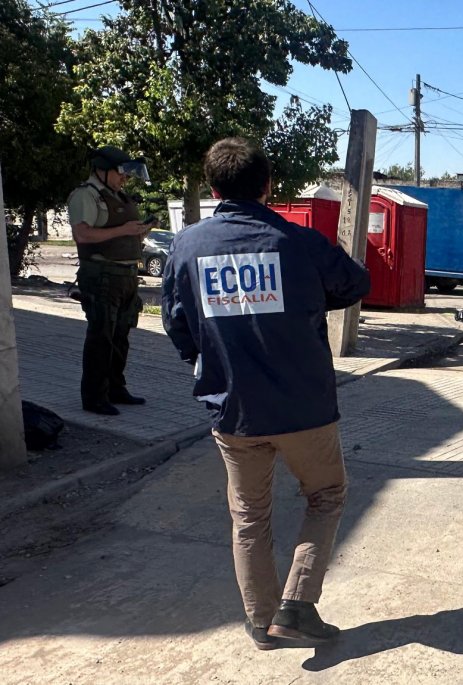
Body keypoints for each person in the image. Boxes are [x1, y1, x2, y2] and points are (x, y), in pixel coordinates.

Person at [162, 138, 370, 650]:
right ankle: (297, 606)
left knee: (249, 517)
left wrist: (208, 361)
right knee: (326, 496)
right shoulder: (299, 241)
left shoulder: (185, 247)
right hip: (305, 407)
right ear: (268, 185)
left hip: (235, 410)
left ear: (213, 189)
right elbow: (354, 283)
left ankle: (260, 621)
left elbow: (177, 323)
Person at [67, 146, 154, 415]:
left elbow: (120, 234)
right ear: (102, 170)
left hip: (126, 276)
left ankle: (116, 388)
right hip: (102, 276)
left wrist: (138, 233)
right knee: (101, 337)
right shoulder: (86, 195)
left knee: (120, 337)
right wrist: (124, 230)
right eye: (120, 173)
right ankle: (94, 397)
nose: (124, 178)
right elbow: (82, 235)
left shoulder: (119, 196)